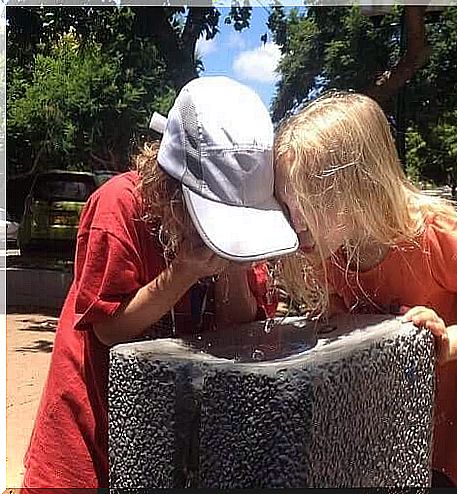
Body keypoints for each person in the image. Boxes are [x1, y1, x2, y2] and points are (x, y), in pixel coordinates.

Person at [22, 76, 298, 488]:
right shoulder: (119, 207)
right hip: (91, 437)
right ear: (170, 187)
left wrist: (234, 260)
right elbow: (108, 329)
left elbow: (241, 333)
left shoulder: (245, 228)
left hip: (175, 444)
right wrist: (183, 272)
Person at [273, 91, 457, 493]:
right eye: (286, 203)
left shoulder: (435, 234)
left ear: (359, 187)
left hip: (452, 444)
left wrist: (446, 343)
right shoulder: (331, 251)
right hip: (379, 440)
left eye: (310, 203)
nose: (296, 221)